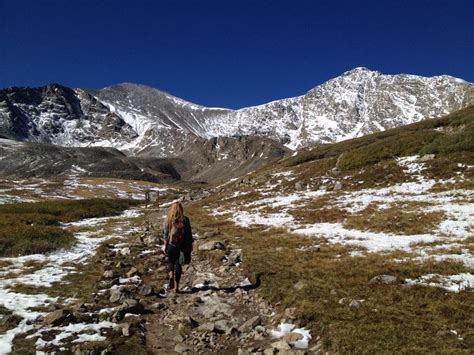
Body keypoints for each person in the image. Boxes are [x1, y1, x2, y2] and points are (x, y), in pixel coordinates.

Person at [163, 202, 193, 293]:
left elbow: (165, 234)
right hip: (182, 246)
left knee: (170, 262)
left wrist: (166, 244)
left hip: (172, 245)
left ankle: (171, 276)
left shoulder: (168, 219)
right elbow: (189, 234)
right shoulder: (185, 220)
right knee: (178, 265)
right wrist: (190, 244)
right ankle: (176, 288)